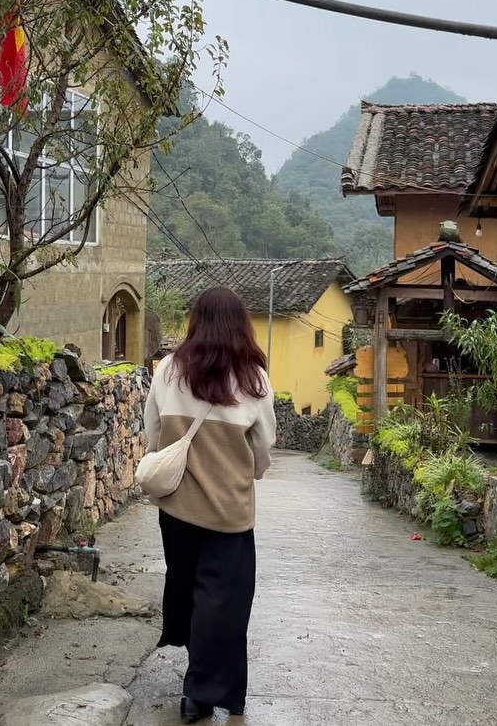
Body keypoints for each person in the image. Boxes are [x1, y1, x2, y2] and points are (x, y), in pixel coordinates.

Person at [143, 285, 277, 723]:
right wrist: (248, 474)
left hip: (177, 507)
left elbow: (153, 430)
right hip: (230, 511)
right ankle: (209, 691)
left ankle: (197, 689)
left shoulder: (168, 370)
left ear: (196, 321)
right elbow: (264, 446)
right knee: (224, 602)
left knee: (187, 587)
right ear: (241, 326)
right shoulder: (254, 381)